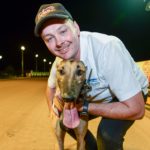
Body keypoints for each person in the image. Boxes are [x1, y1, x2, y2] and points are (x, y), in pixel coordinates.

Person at [34, 3, 149, 150]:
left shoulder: (107, 49)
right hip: (91, 98)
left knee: (107, 135)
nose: (58, 43)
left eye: (62, 31)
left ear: (76, 28)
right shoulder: (60, 59)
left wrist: (86, 107)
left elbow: (138, 110)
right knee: (66, 121)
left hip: (127, 97)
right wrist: (53, 113)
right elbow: (50, 88)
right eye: (49, 38)